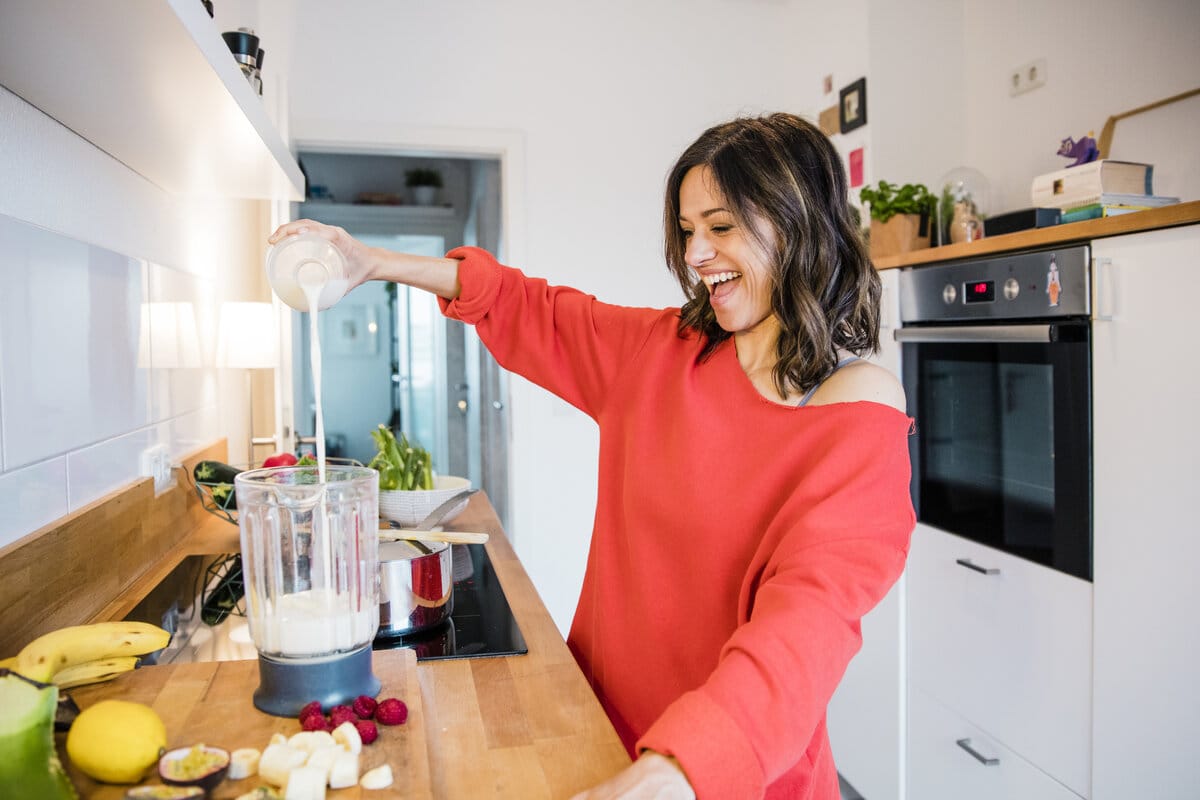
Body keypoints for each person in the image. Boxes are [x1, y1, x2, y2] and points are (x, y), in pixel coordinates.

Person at [269, 112, 915, 800]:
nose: (696, 255)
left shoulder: (856, 409)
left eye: (720, 227)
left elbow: (806, 629)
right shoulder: (661, 354)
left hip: (725, 775)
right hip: (596, 735)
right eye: (689, 231)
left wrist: (677, 773)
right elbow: (528, 307)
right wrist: (375, 263)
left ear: (800, 222)